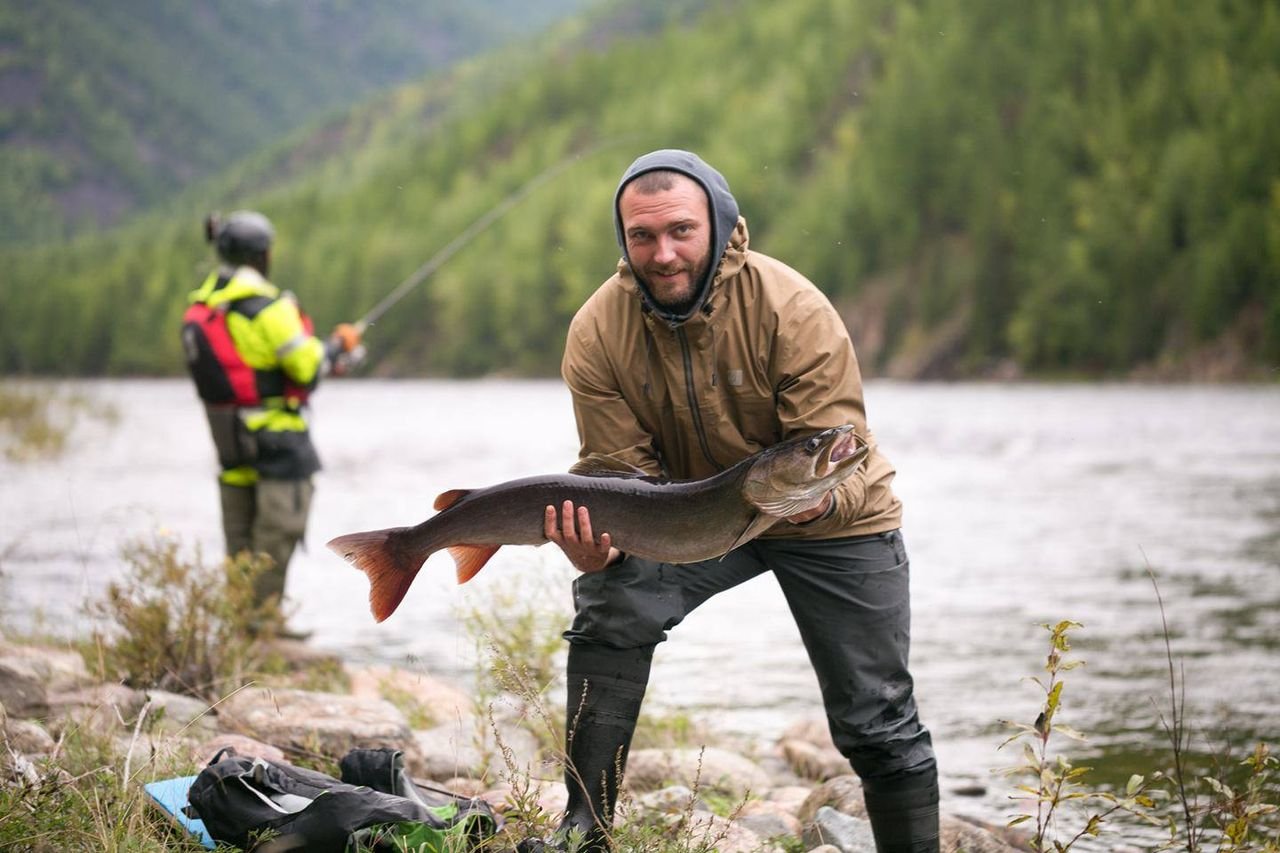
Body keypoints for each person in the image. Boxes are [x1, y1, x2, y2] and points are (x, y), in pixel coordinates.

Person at [539, 150, 939, 852]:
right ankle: (583, 829)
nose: (663, 253)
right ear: (624, 239)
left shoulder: (794, 309)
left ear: (719, 226)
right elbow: (621, 475)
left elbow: (841, 452)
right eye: (642, 236)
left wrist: (819, 502)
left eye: (681, 231)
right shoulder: (597, 331)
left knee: (876, 718)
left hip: (830, 518)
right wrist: (600, 544)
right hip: (691, 514)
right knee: (611, 601)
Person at [181, 210, 362, 632]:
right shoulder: (269, 308)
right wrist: (338, 345)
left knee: (240, 538)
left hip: (231, 440)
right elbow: (307, 367)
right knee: (277, 534)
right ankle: (264, 628)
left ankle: (240, 625)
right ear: (261, 256)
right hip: (279, 442)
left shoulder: (206, 307)